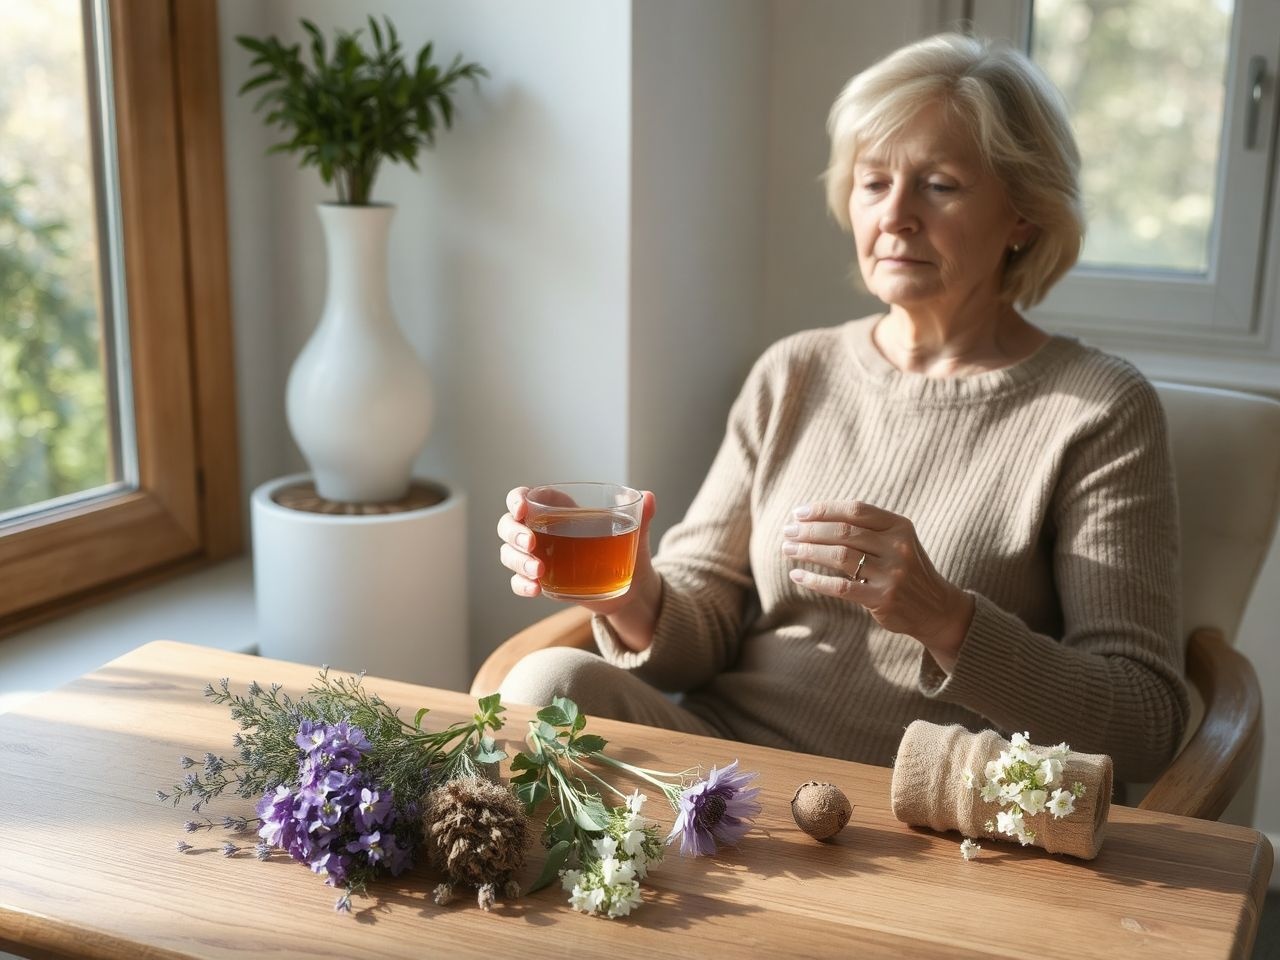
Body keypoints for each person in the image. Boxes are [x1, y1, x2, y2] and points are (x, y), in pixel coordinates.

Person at [495, 33, 1188, 784]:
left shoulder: (1098, 409)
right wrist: (632, 591)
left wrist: (946, 619)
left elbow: (1145, 720)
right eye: (872, 182)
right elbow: (708, 624)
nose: (895, 216)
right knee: (543, 685)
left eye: (941, 184)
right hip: (725, 776)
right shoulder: (794, 371)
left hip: (925, 804)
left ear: (1023, 214)